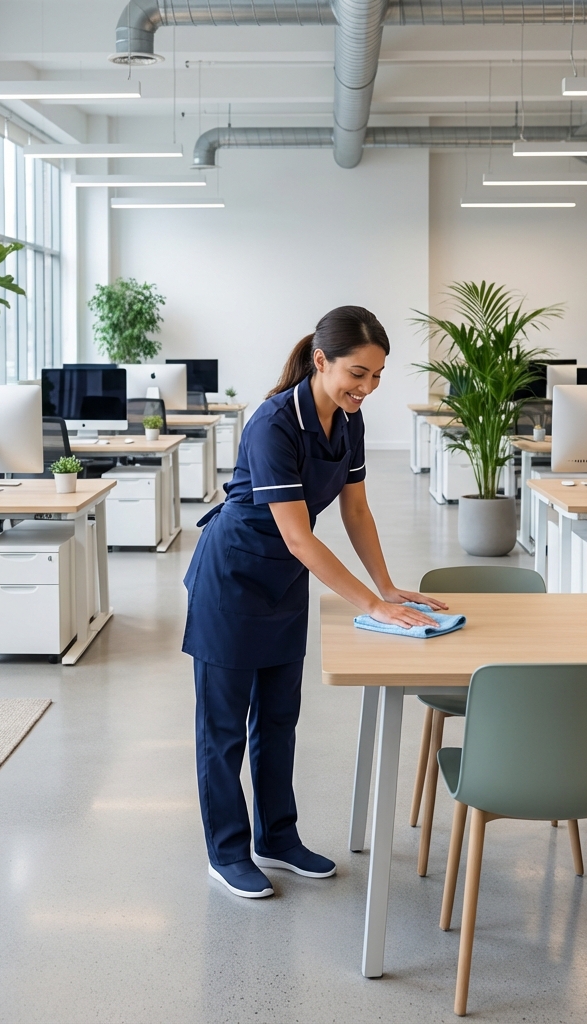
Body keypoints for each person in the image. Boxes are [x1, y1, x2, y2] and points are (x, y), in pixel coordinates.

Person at [183, 306, 447, 898]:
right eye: (358, 373)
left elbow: (354, 509)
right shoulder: (273, 423)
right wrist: (372, 608)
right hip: (232, 581)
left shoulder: (348, 420)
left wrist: (386, 586)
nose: (367, 388)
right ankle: (226, 852)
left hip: (284, 583)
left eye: (377, 376)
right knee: (222, 729)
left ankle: (277, 837)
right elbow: (300, 535)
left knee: (279, 720)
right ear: (321, 361)